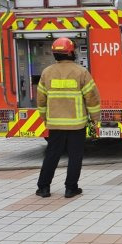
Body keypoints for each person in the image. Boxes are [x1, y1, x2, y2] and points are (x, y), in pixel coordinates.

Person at [36, 37, 100, 198]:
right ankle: (71, 188)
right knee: (75, 156)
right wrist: (95, 118)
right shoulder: (81, 72)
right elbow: (91, 98)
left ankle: (43, 188)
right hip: (76, 124)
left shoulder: (47, 72)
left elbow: (41, 100)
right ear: (71, 52)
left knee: (51, 155)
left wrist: (45, 118)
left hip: (55, 124)